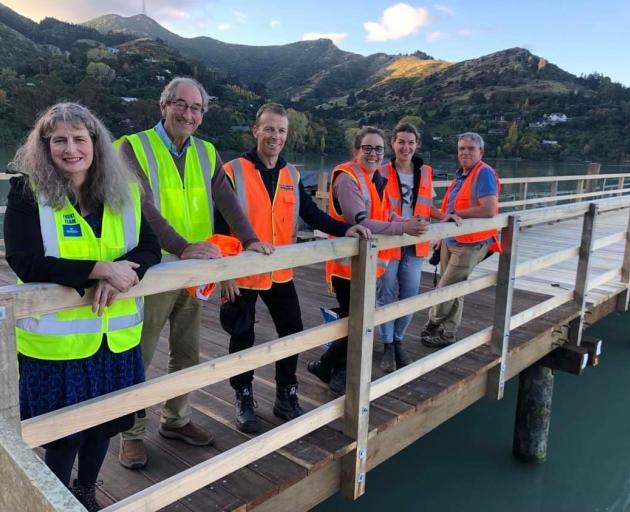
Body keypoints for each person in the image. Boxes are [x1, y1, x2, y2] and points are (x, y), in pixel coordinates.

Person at [4, 102, 161, 511]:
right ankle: (53, 501)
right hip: (58, 347)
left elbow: (149, 248)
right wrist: (97, 269)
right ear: (45, 146)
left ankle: (86, 491)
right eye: (59, 140)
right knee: (64, 433)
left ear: (95, 143)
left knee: (105, 426)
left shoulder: (123, 189)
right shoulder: (26, 192)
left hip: (115, 338)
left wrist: (129, 272)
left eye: (79, 139)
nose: (70, 148)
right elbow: (24, 259)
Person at [116, 77, 271, 468]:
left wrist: (250, 239)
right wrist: (181, 247)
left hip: (194, 272)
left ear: (203, 115)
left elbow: (227, 199)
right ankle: (130, 433)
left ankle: (176, 418)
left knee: (186, 353)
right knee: (140, 355)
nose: (188, 114)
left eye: (196, 108)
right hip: (151, 271)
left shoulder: (206, 152)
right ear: (163, 105)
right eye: (181, 105)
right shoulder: (131, 147)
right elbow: (142, 207)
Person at [217, 103, 371, 433]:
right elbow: (218, 225)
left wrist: (346, 229)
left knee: (293, 333)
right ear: (255, 130)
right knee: (242, 336)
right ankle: (243, 394)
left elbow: (312, 215)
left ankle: (286, 394)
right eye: (269, 128)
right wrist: (224, 273)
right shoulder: (232, 171)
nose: (276, 136)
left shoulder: (291, 174)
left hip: (281, 271)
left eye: (282, 130)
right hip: (242, 273)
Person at [307, 126, 429, 395]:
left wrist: (408, 222)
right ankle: (332, 370)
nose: (373, 153)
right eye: (367, 148)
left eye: (378, 149)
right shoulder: (348, 179)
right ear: (356, 151)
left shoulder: (375, 179)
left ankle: (332, 370)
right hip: (346, 267)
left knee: (357, 322)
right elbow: (360, 221)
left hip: (367, 266)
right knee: (356, 323)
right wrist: (402, 229)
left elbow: (386, 215)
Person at [377, 122, 462, 372]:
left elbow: (426, 206)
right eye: (401, 141)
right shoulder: (381, 171)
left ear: (417, 145)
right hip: (389, 241)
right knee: (386, 295)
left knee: (410, 296)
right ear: (393, 143)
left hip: (416, 244)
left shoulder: (424, 172)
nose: (406, 147)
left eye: (410, 142)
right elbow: (377, 208)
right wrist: (404, 224)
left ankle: (399, 340)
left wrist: (444, 216)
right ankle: (388, 346)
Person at [421, 132, 501, 348]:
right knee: (454, 288)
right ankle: (448, 333)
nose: (465, 152)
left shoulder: (483, 173)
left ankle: (432, 322)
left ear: (481, 152)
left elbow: (489, 209)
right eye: (461, 149)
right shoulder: (461, 176)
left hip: (471, 243)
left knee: (446, 288)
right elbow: (447, 211)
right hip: (451, 240)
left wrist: (459, 213)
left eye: (470, 149)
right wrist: (441, 235)